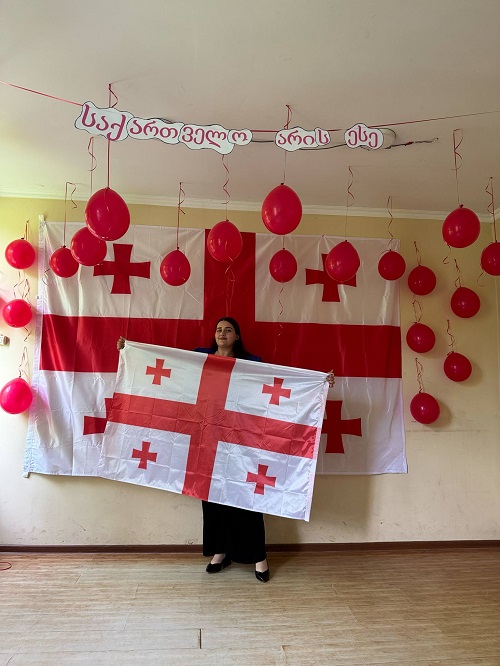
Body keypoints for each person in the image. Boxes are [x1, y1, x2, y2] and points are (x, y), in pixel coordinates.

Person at [117, 316, 335, 584]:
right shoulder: (200, 358)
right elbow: (174, 370)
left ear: (237, 336)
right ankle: (220, 551)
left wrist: (318, 383)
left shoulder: (251, 363)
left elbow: (278, 388)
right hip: (206, 439)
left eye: (228, 330)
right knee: (211, 497)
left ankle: (258, 556)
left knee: (246, 497)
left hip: (241, 440)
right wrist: (131, 351)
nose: (222, 333)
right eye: (219, 329)